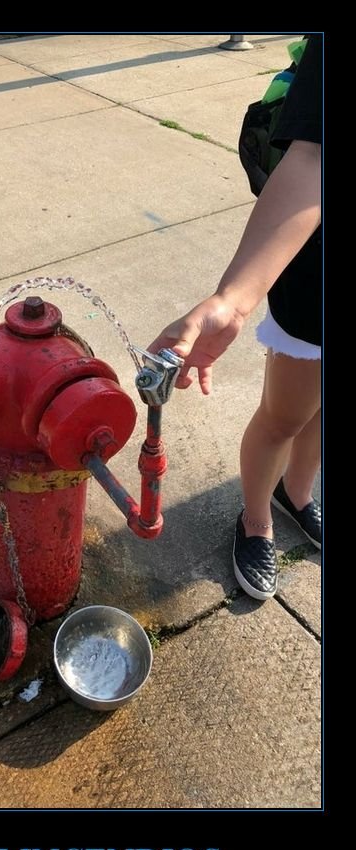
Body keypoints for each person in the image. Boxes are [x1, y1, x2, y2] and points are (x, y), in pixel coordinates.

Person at [147, 34, 321, 600]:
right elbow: (313, 155)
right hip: (315, 277)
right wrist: (233, 299)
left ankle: (296, 494)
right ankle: (255, 521)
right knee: (285, 417)